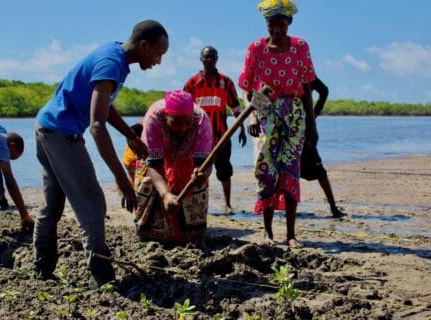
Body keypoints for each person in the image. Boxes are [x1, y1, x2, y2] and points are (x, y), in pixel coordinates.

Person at [34, 20, 169, 288]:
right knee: (93, 204)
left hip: (45, 127)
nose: (159, 61)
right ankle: (102, 276)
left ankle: (41, 270)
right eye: (158, 53)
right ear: (144, 46)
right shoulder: (112, 63)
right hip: (62, 134)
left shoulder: (116, 55)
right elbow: (96, 126)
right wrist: (122, 180)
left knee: (52, 205)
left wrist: (129, 135)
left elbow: (104, 105)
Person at [238, 0, 318, 248]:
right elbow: (247, 88)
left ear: (289, 23)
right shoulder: (256, 48)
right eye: (271, 25)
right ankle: (268, 232)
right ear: (266, 24)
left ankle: (291, 234)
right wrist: (250, 116)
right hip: (264, 107)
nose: (276, 30)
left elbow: (305, 88)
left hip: (293, 111)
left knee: (290, 170)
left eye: (281, 24)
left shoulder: (300, 47)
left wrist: (312, 124)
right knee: (265, 169)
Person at [133, 90, 212, 246]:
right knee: (148, 183)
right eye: (176, 123)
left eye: (187, 123)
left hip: (187, 160)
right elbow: (153, 164)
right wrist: (166, 195)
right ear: (166, 116)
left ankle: (191, 236)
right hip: (156, 162)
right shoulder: (154, 118)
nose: (182, 128)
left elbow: (205, 164)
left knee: (197, 186)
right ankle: (149, 233)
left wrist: (201, 173)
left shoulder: (202, 120)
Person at [183, 46, 246, 214]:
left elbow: (236, 107)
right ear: (201, 59)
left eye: (212, 57)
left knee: (224, 170)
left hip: (221, 136)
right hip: (197, 138)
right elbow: (183, 110)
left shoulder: (226, 82)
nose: (209, 60)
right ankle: (196, 203)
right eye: (206, 57)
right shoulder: (192, 83)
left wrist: (241, 128)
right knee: (198, 171)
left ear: (217, 59)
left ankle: (227, 203)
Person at [301, 77, 346, 218]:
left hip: (303, 130)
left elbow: (324, 91)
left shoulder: (305, 73)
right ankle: (333, 208)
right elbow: (324, 91)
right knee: (289, 171)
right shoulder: (297, 71)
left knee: (318, 171)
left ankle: (333, 207)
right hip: (297, 128)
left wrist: (312, 117)